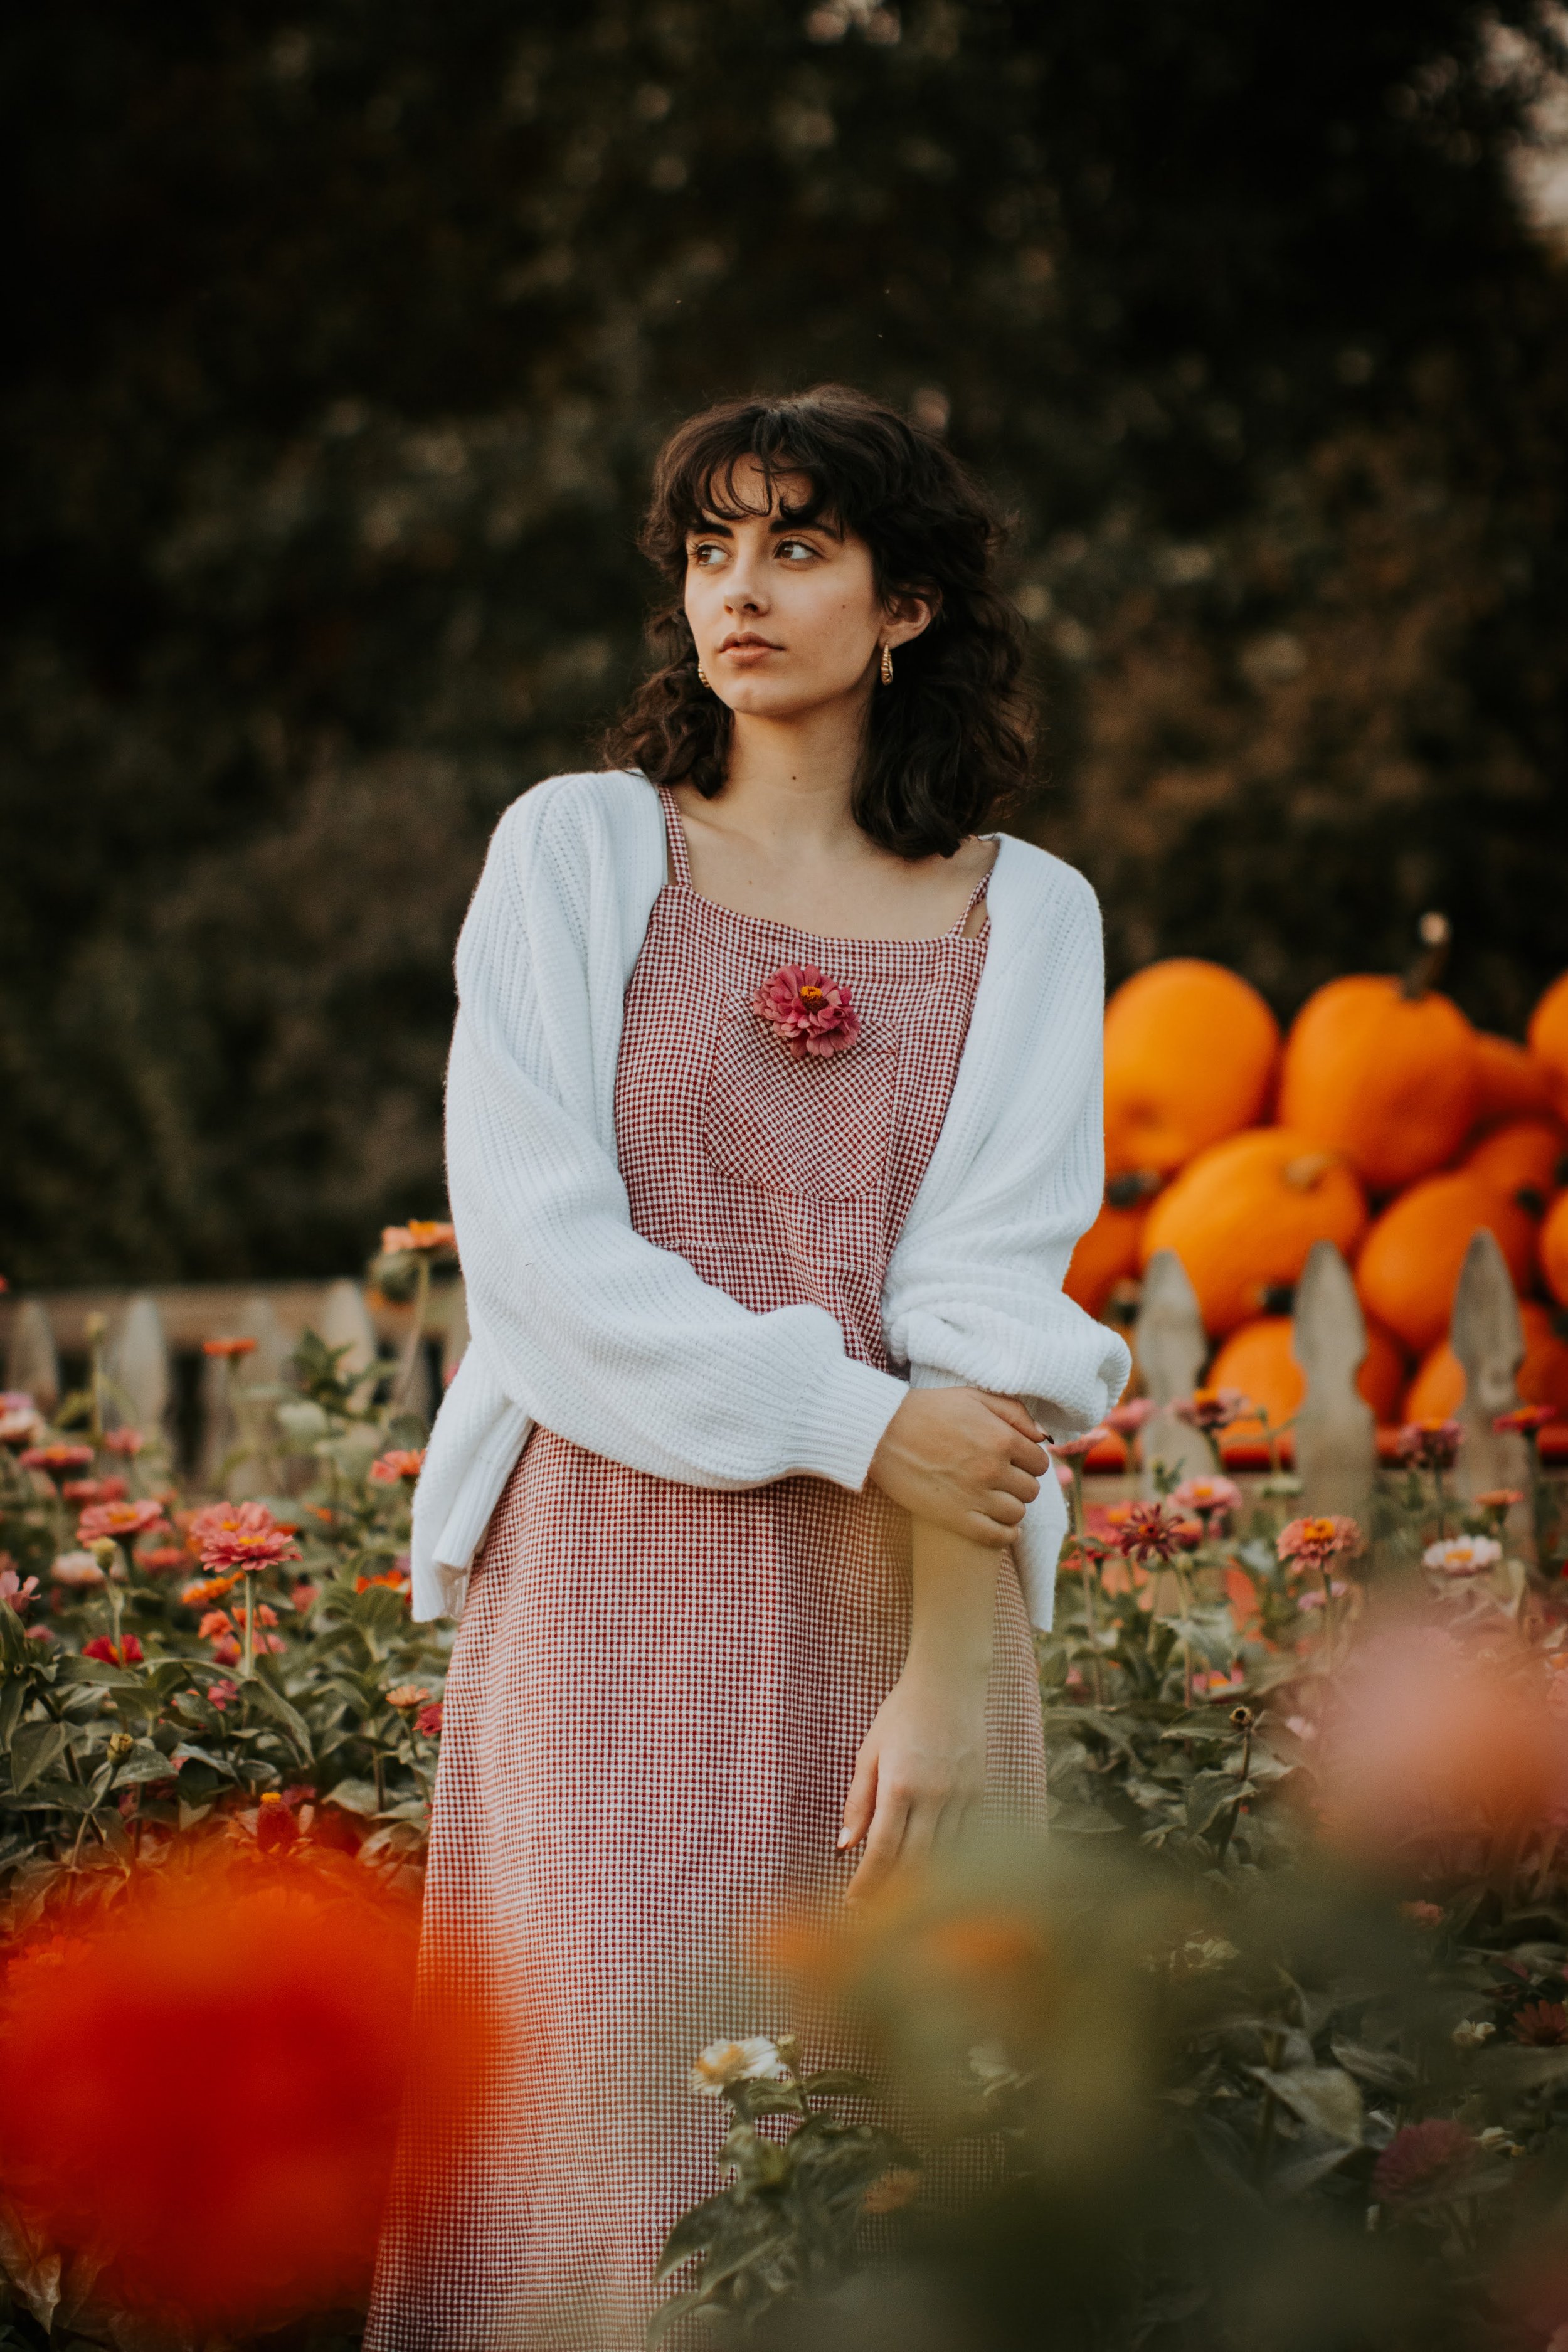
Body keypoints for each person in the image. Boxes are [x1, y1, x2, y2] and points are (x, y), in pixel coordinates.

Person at [366, 384, 1130, 2351]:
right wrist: (852, 1416)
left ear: (908, 607)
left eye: (796, 544)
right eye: (710, 549)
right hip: (615, 1577)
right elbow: (540, 1265)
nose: (740, 590)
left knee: (903, 2146)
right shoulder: (574, 853)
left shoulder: (1027, 914)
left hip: (900, 1592)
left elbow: (991, 1323)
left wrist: (950, 1688)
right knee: (613, 2145)